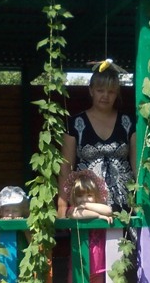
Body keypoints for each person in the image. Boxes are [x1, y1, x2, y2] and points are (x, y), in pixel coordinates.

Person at [58, 60, 137, 215]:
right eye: (100, 90)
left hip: (125, 206)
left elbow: (136, 165)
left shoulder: (129, 123)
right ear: (91, 90)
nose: (105, 96)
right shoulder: (74, 124)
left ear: (117, 93)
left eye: (111, 92)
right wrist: (62, 207)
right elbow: (65, 168)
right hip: (86, 207)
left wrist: (142, 202)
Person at [63, 169, 114, 283]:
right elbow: (77, 214)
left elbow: (108, 210)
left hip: (98, 269)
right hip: (78, 268)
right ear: (73, 197)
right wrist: (97, 215)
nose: (84, 199)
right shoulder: (71, 210)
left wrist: (89, 207)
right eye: (80, 196)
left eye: (89, 195)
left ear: (97, 196)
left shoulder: (94, 208)